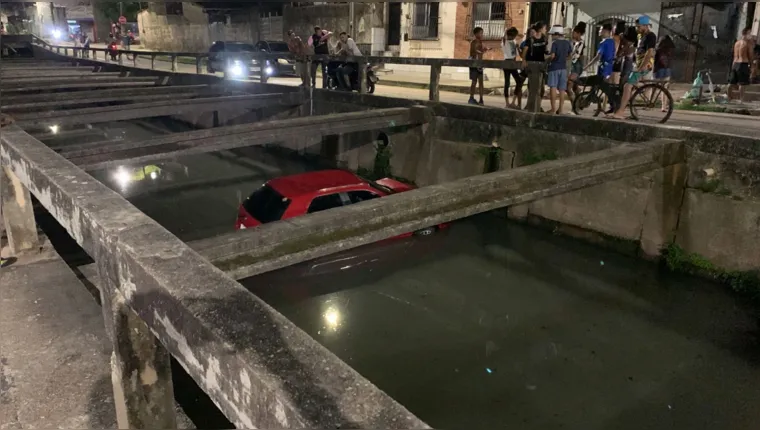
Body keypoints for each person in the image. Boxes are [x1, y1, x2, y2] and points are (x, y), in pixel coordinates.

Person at [609, 15, 656, 120]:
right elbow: (635, 49)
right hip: (638, 65)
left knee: (627, 86)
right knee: (629, 87)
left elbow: (650, 53)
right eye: (636, 27)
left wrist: (642, 67)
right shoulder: (640, 36)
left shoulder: (651, 36)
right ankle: (632, 112)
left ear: (645, 26)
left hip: (645, 66)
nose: (637, 29)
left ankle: (620, 112)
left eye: (639, 27)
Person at [521, 22, 549, 105]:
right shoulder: (531, 40)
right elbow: (525, 50)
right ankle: (530, 104)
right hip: (532, 64)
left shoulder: (545, 38)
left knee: (541, 87)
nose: (546, 30)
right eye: (544, 28)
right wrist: (523, 60)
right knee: (531, 86)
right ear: (540, 29)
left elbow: (546, 50)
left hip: (541, 64)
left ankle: (538, 105)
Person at [547, 25, 572, 114]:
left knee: (553, 87)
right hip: (563, 68)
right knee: (562, 89)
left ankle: (553, 109)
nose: (551, 36)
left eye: (552, 34)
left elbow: (552, 55)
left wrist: (548, 59)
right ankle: (561, 109)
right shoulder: (567, 43)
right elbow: (570, 55)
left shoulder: (555, 43)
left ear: (556, 34)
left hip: (554, 67)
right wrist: (563, 59)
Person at [728, 27, 753, 103]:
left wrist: (733, 65)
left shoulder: (737, 43)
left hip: (735, 64)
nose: (751, 35)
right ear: (745, 34)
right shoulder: (747, 43)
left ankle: (729, 97)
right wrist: (751, 65)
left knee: (731, 82)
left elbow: (734, 55)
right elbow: (751, 55)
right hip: (743, 63)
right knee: (742, 83)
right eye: (749, 33)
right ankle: (742, 99)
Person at [501, 26, 523, 109]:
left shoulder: (513, 41)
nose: (514, 37)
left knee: (519, 81)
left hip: (513, 63)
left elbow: (516, 53)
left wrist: (517, 46)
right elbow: (503, 38)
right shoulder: (505, 41)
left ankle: (513, 101)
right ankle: (507, 103)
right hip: (507, 62)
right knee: (507, 83)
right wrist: (506, 31)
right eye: (513, 36)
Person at [468, 27, 491, 105]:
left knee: (481, 82)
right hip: (474, 64)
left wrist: (484, 50)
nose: (482, 34)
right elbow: (475, 52)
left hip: (480, 65)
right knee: (474, 82)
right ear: (476, 34)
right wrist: (483, 51)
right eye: (481, 33)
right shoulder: (473, 42)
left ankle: (481, 99)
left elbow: (480, 51)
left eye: (482, 33)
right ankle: (471, 98)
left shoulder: (480, 42)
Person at [654, 35, 675, 112]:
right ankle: (663, 106)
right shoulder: (671, 50)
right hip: (667, 69)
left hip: (659, 69)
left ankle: (651, 101)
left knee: (654, 86)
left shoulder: (658, 49)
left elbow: (655, 60)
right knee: (664, 88)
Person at [567, 22, 586, 104]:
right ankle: (581, 100)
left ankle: (574, 106)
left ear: (578, 33)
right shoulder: (573, 42)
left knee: (568, 87)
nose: (572, 34)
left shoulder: (580, 43)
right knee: (574, 87)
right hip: (573, 65)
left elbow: (575, 56)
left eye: (573, 32)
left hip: (576, 66)